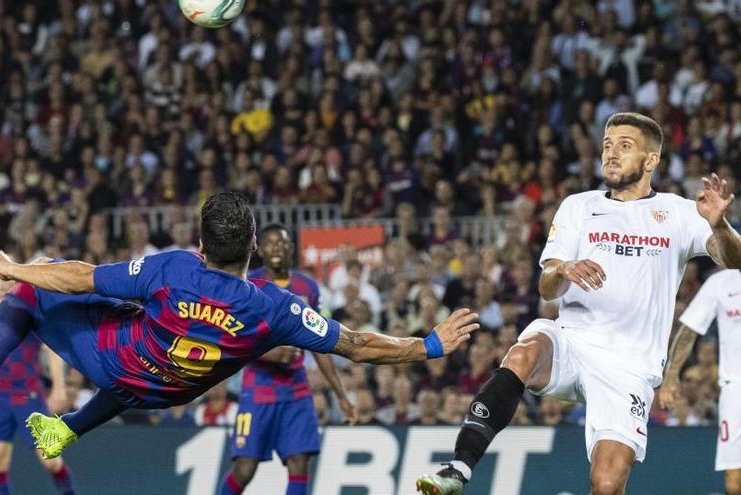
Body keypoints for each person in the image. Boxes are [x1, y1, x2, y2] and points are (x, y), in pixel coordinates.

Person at [0, 192, 479, 460]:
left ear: (202, 244)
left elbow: (83, 276)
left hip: (124, 360)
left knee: (30, 295)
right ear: (254, 246)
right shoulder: (273, 307)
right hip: (163, 392)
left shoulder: (173, 268)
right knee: (144, 343)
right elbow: (357, 345)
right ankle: (69, 428)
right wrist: (429, 344)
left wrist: (15, 266)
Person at [417, 112, 741, 495]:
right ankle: (458, 469)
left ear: (651, 160)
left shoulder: (678, 212)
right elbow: (546, 287)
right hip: (574, 342)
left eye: (624, 146)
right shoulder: (578, 207)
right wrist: (565, 269)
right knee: (525, 351)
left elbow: (733, 261)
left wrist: (719, 224)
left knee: (606, 485)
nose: (611, 154)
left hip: (630, 368)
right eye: (607, 145)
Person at [219, 224, 357, 495]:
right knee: (245, 468)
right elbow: (232, 335)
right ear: (260, 249)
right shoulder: (248, 284)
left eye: (282, 242)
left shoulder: (308, 287)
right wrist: (269, 353)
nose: (277, 248)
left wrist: (340, 394)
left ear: (291, 248)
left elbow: (321, 342)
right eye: (270, 243)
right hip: (258, 389)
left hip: (296, 389)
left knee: (299, 463)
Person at [0, 271, 76, 495]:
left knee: (50, 460)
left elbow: (51, 350)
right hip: (0, 396)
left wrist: (59, 387)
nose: (2, 284)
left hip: (28, 397)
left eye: (7, 278)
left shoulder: (29, 311)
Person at [660, 268, 741, 495]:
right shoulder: (721, 282)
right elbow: (689, 329)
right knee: (734, 483)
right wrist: (672, 374)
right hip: (735, 390)